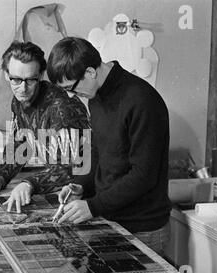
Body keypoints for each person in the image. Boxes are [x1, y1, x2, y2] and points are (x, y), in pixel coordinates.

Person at [46, 37, 171, 254]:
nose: (70, 95)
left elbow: (143, 175)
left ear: (90, 72)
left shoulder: (142, 100)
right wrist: (81, 185)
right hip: (111, 219)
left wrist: (93, 206)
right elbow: (99, 152)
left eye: (71, 88)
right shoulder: (96, 97)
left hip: (142, 229)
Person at [0, 41, 90, 213]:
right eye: (16, 79)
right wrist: (1, 177)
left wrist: (29, 183)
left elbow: (71, 167)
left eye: (31, 80)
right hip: (61, 192)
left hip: (87, 194)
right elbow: (20, 145)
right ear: (7, 75)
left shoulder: (62, 107)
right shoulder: (18, 100)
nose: (23, 88)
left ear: (41, 75)